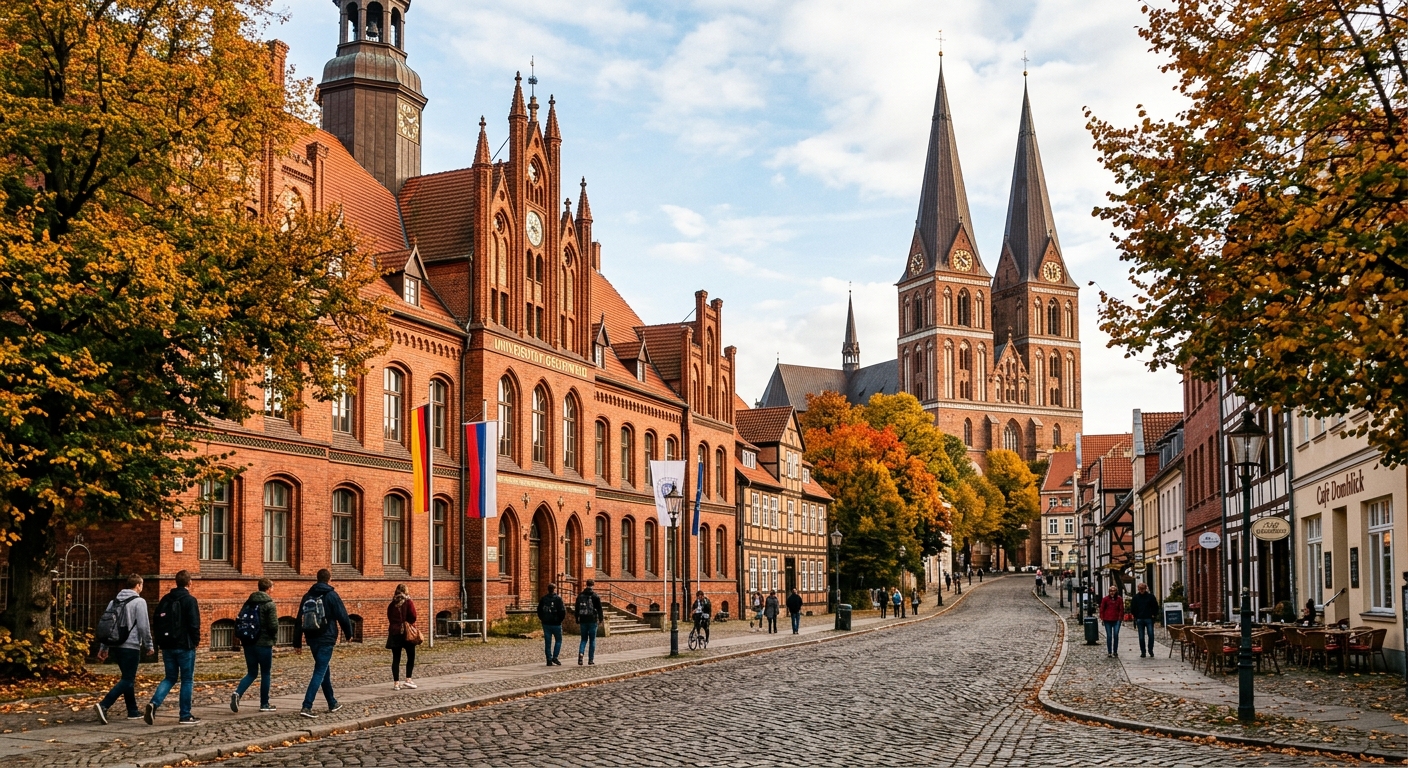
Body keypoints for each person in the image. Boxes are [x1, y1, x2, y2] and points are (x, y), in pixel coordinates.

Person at [294, 568, 353, 719]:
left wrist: (297, 642)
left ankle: (332, 702)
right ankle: (307, 705)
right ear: (329, 579)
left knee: (324, 669)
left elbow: (299, 619)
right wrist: (349, 633)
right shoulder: (331, 595)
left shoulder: (307, 596)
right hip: (326, 637)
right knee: (320, 670)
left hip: (311, 637)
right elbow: (342, 614)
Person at [95, 574, 154, 724]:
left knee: (127, 678)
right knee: (128, 679)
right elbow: (143, 626)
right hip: (131, 645)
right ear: (138, 585)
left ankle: (132, 710)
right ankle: (104, 705)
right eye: (142, 585)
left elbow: (108, 626)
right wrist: (149, 644)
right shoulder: (139, 602)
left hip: (115, 644)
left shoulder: (113, 601)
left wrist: (104, 647)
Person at [145, 569, 200, 725]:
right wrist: (195, 641)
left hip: (167, 646)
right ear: (190, 583)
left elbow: (156, 621)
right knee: (187, 680)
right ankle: (185, 714)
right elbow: (194, 624)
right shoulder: (190, 600)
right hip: (185, 645)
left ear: (176, 582)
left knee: (170, 677)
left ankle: (154, 703)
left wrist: (160, 642)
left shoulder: (165, 599)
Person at [231, 577, 278, 713]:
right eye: (272, 587)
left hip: (248, 642)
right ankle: (264, 704)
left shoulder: (249, 602)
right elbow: (273, 626)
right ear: (268, 588)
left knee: (252, 672)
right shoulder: (269, 604)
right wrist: (273, 639)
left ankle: (237, 693)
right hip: (263, 643)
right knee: (265, 673)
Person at [386, 584, 419, 689]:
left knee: (396, 658)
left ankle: (396, 683)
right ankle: (408, 679)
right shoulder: (408, 602)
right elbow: (413, 616)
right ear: (406, 591)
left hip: (395, 633)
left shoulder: (392, 605)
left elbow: (390, 618)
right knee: (411, 656)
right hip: (406, 632)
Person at [536, 583, 565, 666]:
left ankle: (549, 659)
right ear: (554, 589)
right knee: (558, 640)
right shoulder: (558, 599)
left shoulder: (543, 599)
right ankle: (555, 657)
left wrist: (542, 619)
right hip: (556, 624)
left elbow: (539, 610)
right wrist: (560, 620)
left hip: (546, 623)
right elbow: (562, 611)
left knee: (547, 642)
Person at [575, 580, 603, 665]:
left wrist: (577, 618)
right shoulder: (595, 596)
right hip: (592, 620)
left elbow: (576, 608)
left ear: (586, 585)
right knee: (592, 640)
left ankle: (581, 654)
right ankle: (590, 660)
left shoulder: (580, 595)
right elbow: (599, 609)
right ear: (593, 585)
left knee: (583, 639)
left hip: (583, 619)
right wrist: (601, 619)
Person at [1129, 583, 1159, 658]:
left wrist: (1153, 614)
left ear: (1146, 588)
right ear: (1138, 589)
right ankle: (1143, 651)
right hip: (1140, 619)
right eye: (1140, 588)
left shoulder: (1150, 597)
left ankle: (1150, 650)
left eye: (1143, 588)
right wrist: (1136, 615)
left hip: (1149, 618)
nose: (1141, 590)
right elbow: (1132, 608)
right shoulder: (1135, 597)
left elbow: (1155, 606)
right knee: (1141, 637)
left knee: (1151, 635)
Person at [1099, 585, 1125, 657]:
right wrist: (1102, 617)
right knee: (1109, 636)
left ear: (1116, 591)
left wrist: (1120, 618)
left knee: (1116, 635)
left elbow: (1121, 609)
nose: (1112, 592)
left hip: (1116, 619)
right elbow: (1102, 609)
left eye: (1113, 591)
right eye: (1111, 591)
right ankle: (1109, 651)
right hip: (1107, 619)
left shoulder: (1119, 599)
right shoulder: (1105, 599)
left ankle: (1115, 651)